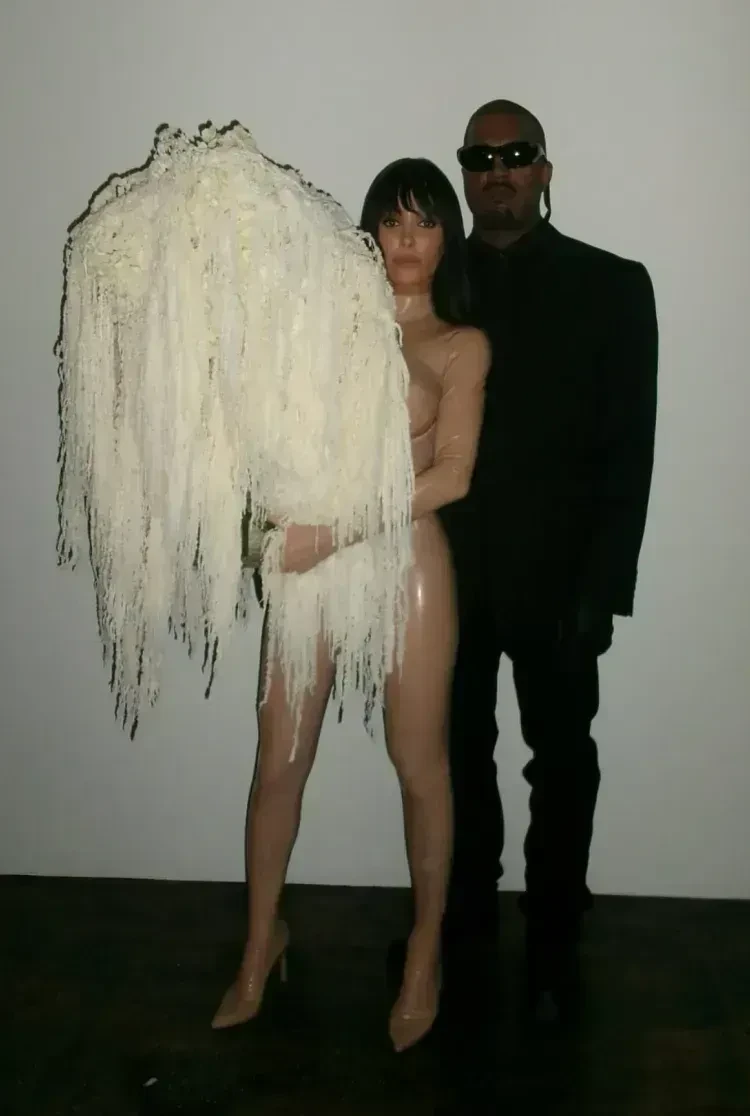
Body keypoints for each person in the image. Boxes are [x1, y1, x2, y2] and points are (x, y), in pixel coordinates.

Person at [212, 157, 490, 1052]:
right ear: (370, 234)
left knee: (420, 764)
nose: (407, 240)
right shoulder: (327, 324)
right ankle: (259, 945)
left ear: (446, 239)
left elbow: (452, 475)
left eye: (425, 222)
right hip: (312, 564)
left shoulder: (459, 344)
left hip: (406, 557)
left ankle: (424, 955)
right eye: (392, 221)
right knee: (279, 763)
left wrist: (329, 534)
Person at [437, 100, 658, 1021]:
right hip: (444, 575)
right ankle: (462, 929)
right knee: (454, 759)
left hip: (561, 580)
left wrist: (603, 586)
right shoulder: (427, 286)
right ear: (464, 172)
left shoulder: (613, 286)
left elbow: (629, 449)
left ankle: (555, 942)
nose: (498, 170)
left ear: (544, 170)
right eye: (480, 156)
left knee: (563, 763)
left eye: (516, 154)